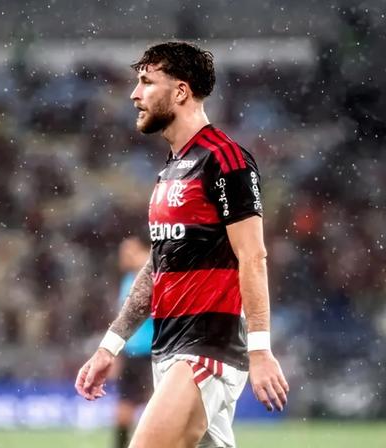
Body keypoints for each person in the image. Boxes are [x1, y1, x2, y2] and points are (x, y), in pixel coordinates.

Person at [75, 42, 289, 448]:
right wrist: (110, 346)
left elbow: (253, 255)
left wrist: (261, 350)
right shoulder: (171, 172)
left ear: (180, 92)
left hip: (206, 348)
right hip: (168, 349)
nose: (134, 94)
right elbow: (159, 265)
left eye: (145, 82)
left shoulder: (225, 160)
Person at [114, 236, 154, 448]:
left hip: (152, 354)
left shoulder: (153, 279)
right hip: (131, 354)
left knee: (156, 407)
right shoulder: (128, 280)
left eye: (129, 252)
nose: (124, 257)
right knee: (124, 408)